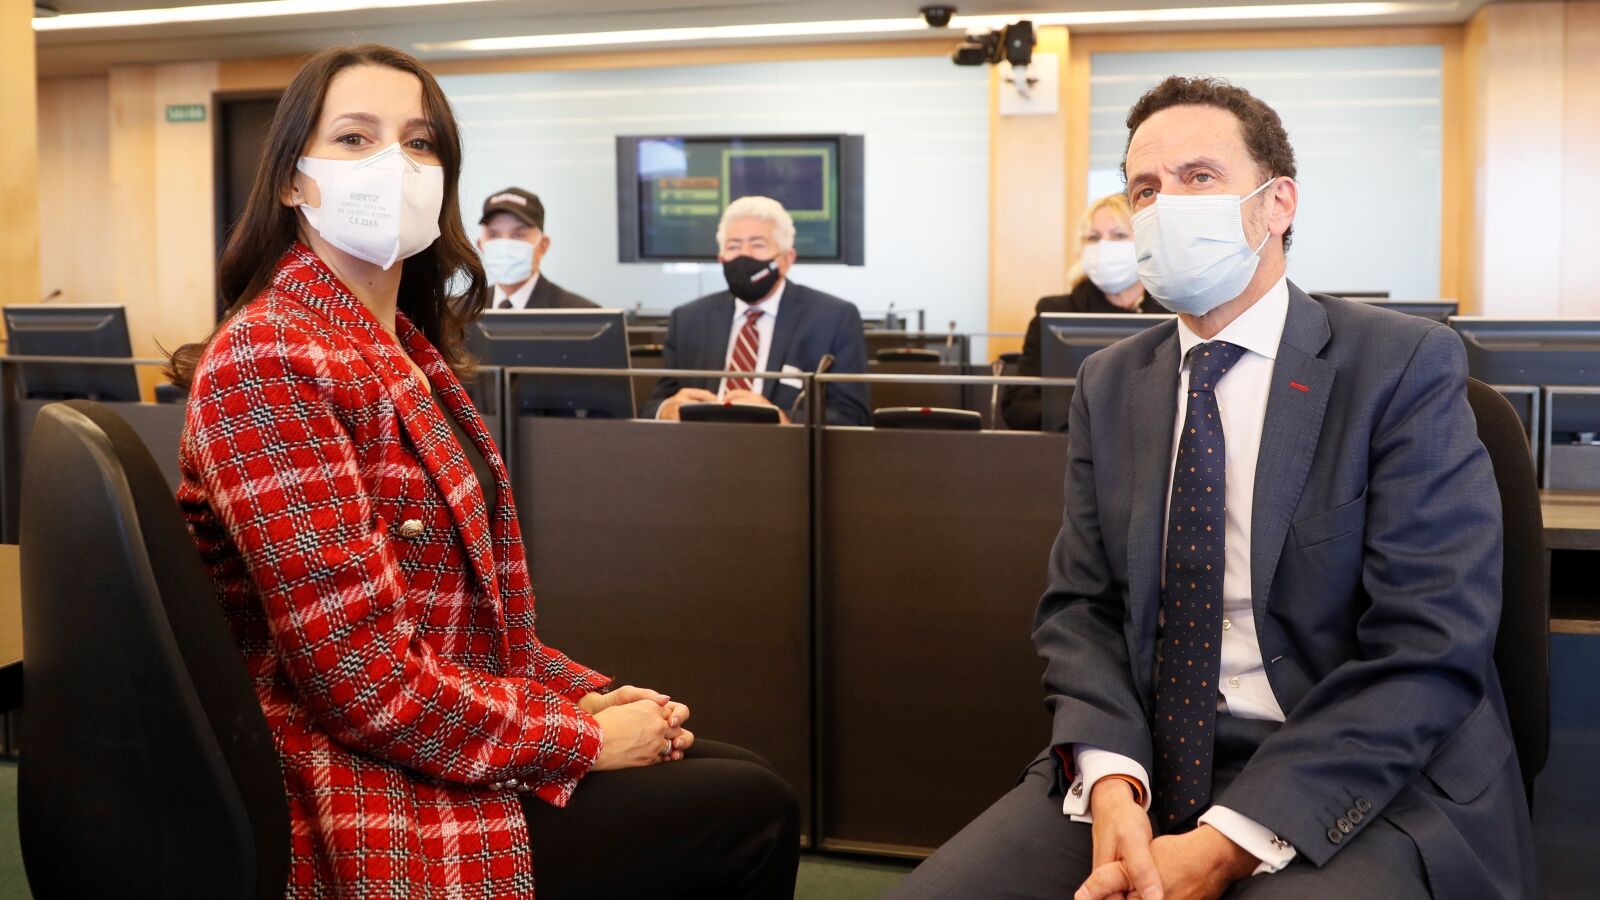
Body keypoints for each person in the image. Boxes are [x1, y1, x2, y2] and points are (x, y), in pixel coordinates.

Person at [165, 44, 797, 899]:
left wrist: (590, 695)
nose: (394, 163)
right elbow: (363, 687)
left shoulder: (404, 346)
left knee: (735, 767)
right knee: (753, 810)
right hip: (353, 781)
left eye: (420, 142)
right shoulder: (270, 357)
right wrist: (580, 738)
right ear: (290, 180)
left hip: (430, 731)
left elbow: (473, 633)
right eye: (355, 138)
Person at [890, 76, 1535, 900]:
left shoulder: (1401, 364)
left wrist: (1228, 843)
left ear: (1277, 205)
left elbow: (1428, 642)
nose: (1165, 207)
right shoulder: (1109, 383)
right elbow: (1081, 610)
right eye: (1145, 189)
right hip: (1148, 764)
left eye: (1199, 177)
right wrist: (1112, 782)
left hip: (1360, 773)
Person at [644, 196, 871, 425]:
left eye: (758, 245)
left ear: (786, 259)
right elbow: (652, 407)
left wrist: (782, 419)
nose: (744, 256)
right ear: (721, 259)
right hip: (702, 442)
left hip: (782, 446)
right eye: (733, 246)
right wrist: (666, 411)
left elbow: (853, 417)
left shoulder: (833, 319)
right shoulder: (688, 319)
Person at [1001, 192, 1152, 430]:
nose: (1103, 247)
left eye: (1119, 235)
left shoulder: (1176, 313)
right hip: (1070, 443)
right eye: (1093, 237)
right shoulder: (1054, 312)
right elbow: (1018, 404)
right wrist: (1080, 421)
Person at [477, 187, 599, 309]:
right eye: (493, 235)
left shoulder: (581, 313)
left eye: (518, 235)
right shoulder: (466, 310)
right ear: (480, 245)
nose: (505, 245)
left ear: (542, 245)